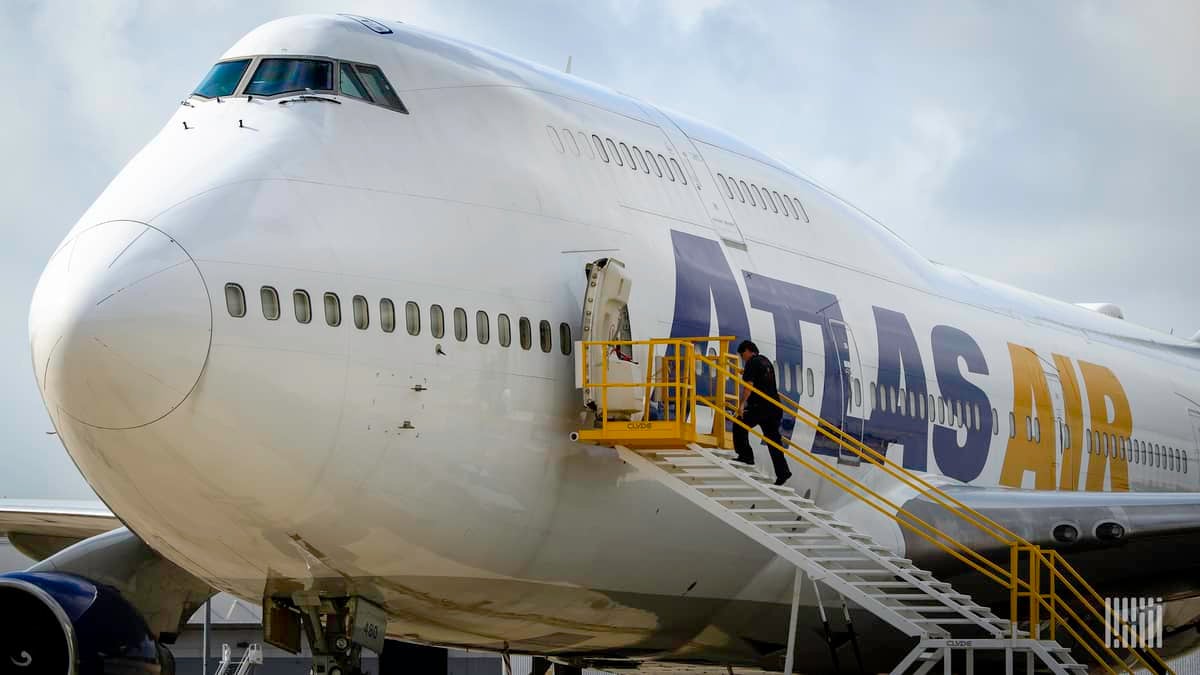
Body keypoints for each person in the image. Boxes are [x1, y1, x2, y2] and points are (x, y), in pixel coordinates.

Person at [732, 340, 792, 486]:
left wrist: (741, 406)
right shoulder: (766, 361)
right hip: (775, 407)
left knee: (739, 423)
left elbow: (749, 386)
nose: (742, 358)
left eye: (742, 355)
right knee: (773, 441)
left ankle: (746, 456)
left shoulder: (752, 363)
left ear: (748, 351)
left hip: (761, 406)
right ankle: (782, 473)